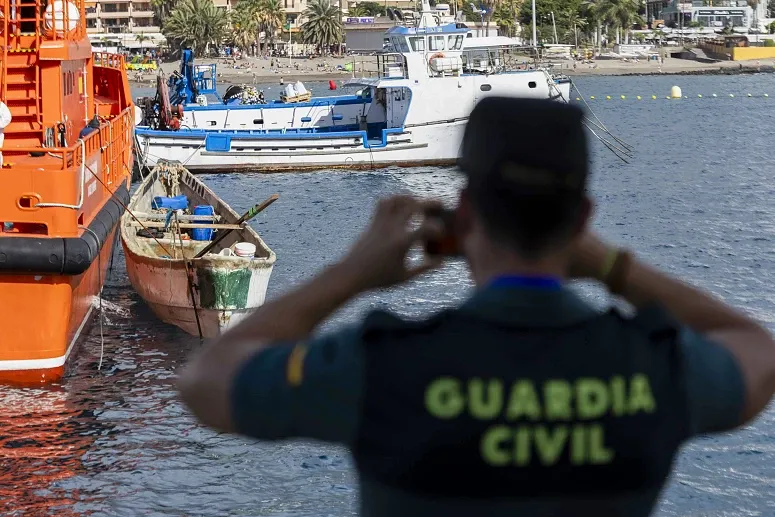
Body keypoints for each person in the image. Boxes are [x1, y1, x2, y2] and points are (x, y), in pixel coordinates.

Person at [178, 97, 775, 517]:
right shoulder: (655, 368)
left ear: (463, 216)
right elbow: (756, 351)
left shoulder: (382, 367)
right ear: (583, 221)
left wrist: (351, 274)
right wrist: (612, 266)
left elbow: (206, 381)